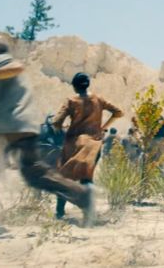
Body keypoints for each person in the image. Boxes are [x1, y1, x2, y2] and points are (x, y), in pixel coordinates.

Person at [0, 37, 96, 227]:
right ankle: (82, 195)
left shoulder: (0, 63)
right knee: (35, 175)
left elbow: (16, 67)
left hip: (4, 126)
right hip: (24, 127)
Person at [52, 72, 123, 219]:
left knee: (65, 177)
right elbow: (119, 112)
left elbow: (56, 121)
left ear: (74, 86)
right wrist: (103, 127)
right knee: (87, 177)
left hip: (74, 144)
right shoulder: (99, 99)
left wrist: (60, 127)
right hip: (93, 144)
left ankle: (59, 212)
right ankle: (88, 213)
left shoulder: (71, 101)